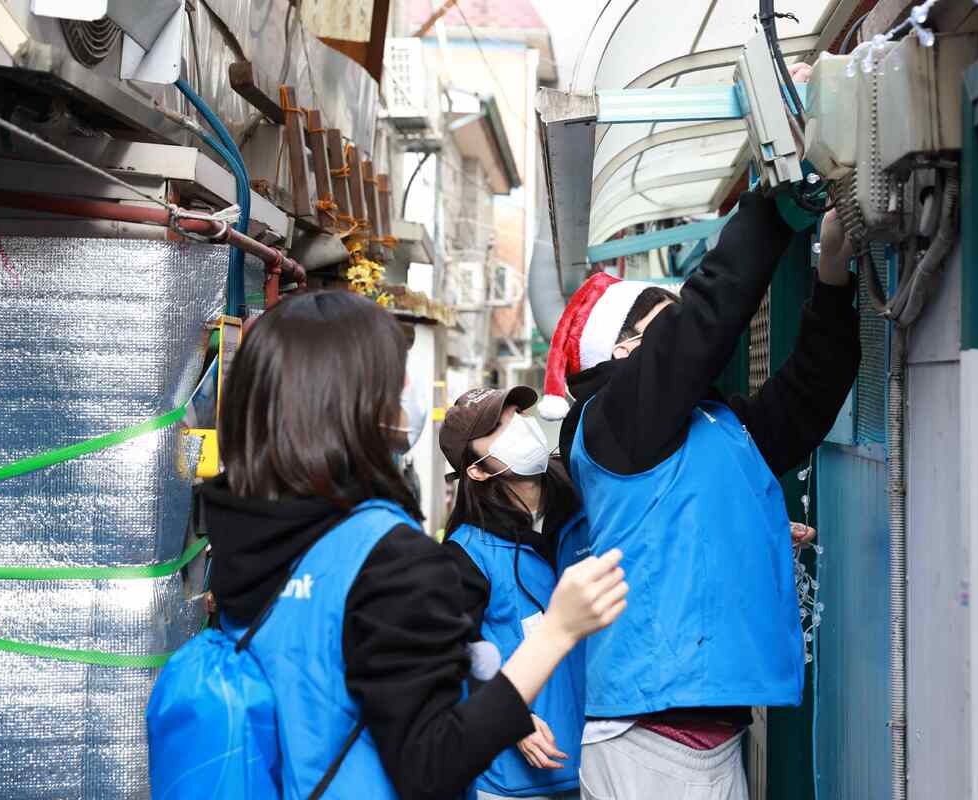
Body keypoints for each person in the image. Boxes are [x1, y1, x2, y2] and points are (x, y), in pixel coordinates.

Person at [180, 291, 628, 800]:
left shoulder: (247, 536)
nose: (407, 393)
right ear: (356, 406)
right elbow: (432, 762)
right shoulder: (387, 558)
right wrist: (558, 632)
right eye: (395, 379)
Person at [536, 200, 859, 799]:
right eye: (664, 325)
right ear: (623, 351)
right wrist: (770, 207)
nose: (679, 335)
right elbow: (708, 317)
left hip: (696, 728)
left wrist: (833, 281)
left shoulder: (717, 426)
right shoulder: (613, 418)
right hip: (648, 731)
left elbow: (807, 395)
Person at [440, 386, 589, 800]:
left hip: (604, 759)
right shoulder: (467, 554)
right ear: (477, 470)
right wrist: (512, 719)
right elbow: (457, 657)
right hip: (514, 781)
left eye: (517, 415)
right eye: (498, 428)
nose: (519, 427)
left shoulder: (584, 505)